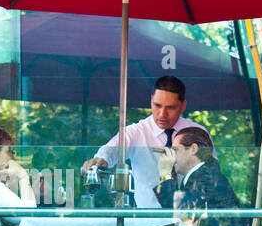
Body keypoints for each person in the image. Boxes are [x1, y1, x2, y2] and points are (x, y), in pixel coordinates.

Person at [80, 75, 201, 208]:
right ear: (151, 101)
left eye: (170, 107)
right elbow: (112, 149)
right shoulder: (136, 132)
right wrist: (101, 159)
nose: (162, 114)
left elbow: (212, 176)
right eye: (157, 105)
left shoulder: (198, 133)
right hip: (148, 222)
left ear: (183, 106)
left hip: (190, 220)